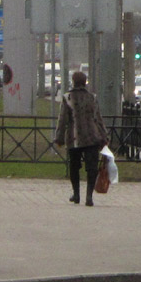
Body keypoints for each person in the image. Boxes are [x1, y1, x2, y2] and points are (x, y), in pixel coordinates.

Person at [54, 71, 108, 207]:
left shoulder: (68, 98)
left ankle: (76, 194)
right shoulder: (92, 97)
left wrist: (59, 138)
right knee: (92, 168)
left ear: (73, 82)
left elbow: (62, 120)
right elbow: (98, 119)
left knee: (74, 166)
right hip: (92, 137)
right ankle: (89, 196)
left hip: (74, 138)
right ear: (85, 82)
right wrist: (104, 137)